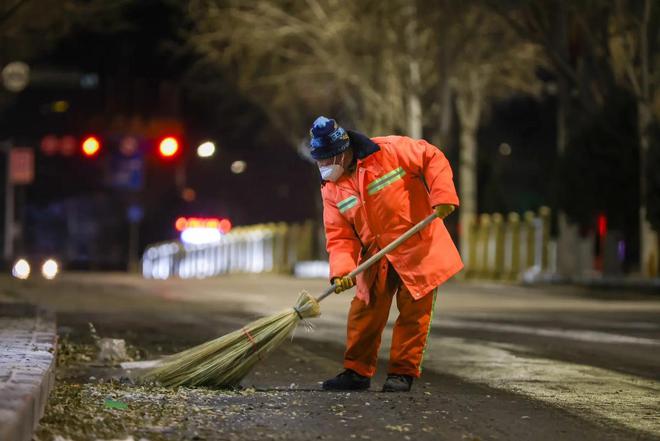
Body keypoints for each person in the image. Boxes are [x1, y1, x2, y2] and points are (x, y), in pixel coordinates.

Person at [309, 116, 463, 392]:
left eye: (326, 161)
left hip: (417, 245)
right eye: (318, 162)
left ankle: (402, 373)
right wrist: (342, 272)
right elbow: (340, 235)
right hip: (375, 255)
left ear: (342, 152)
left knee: (415, 314)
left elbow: (432, 156)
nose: (323, 168)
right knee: (364, 312)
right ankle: (356, 372)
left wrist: (443, 196)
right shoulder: (331, 189)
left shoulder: (389, 151)